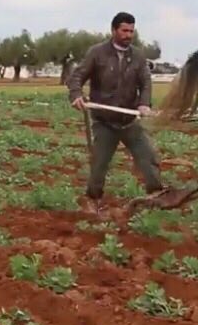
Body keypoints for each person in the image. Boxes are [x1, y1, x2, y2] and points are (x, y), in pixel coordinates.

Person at [67, 11, 166, 215]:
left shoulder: (138, 56)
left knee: (148, 158)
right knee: (99, 164)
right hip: (105, 121)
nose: (128, 35)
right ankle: (93, 200)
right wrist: (76, 95)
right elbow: (76, 77)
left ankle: (155, 197)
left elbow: (145, 82)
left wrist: (144, 104)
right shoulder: (97, 53)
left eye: (131, 30)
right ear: (113, 30)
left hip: (129, 120)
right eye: (124, 30)